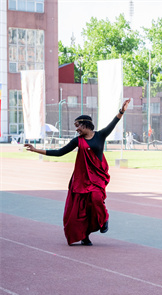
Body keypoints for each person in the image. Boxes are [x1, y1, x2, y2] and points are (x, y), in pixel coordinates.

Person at [24, 99, 131, 246]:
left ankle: (104, 218)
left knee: (96, 199)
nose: (77, 129)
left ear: (86, 124)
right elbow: (59, 152)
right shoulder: (77, 141)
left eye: (78, 126)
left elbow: (114, 122)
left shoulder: (101, 135)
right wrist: (36, 150)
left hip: (97, 178)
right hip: (81, 180)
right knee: (80, 210)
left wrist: (122, 110)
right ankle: (84, 236)